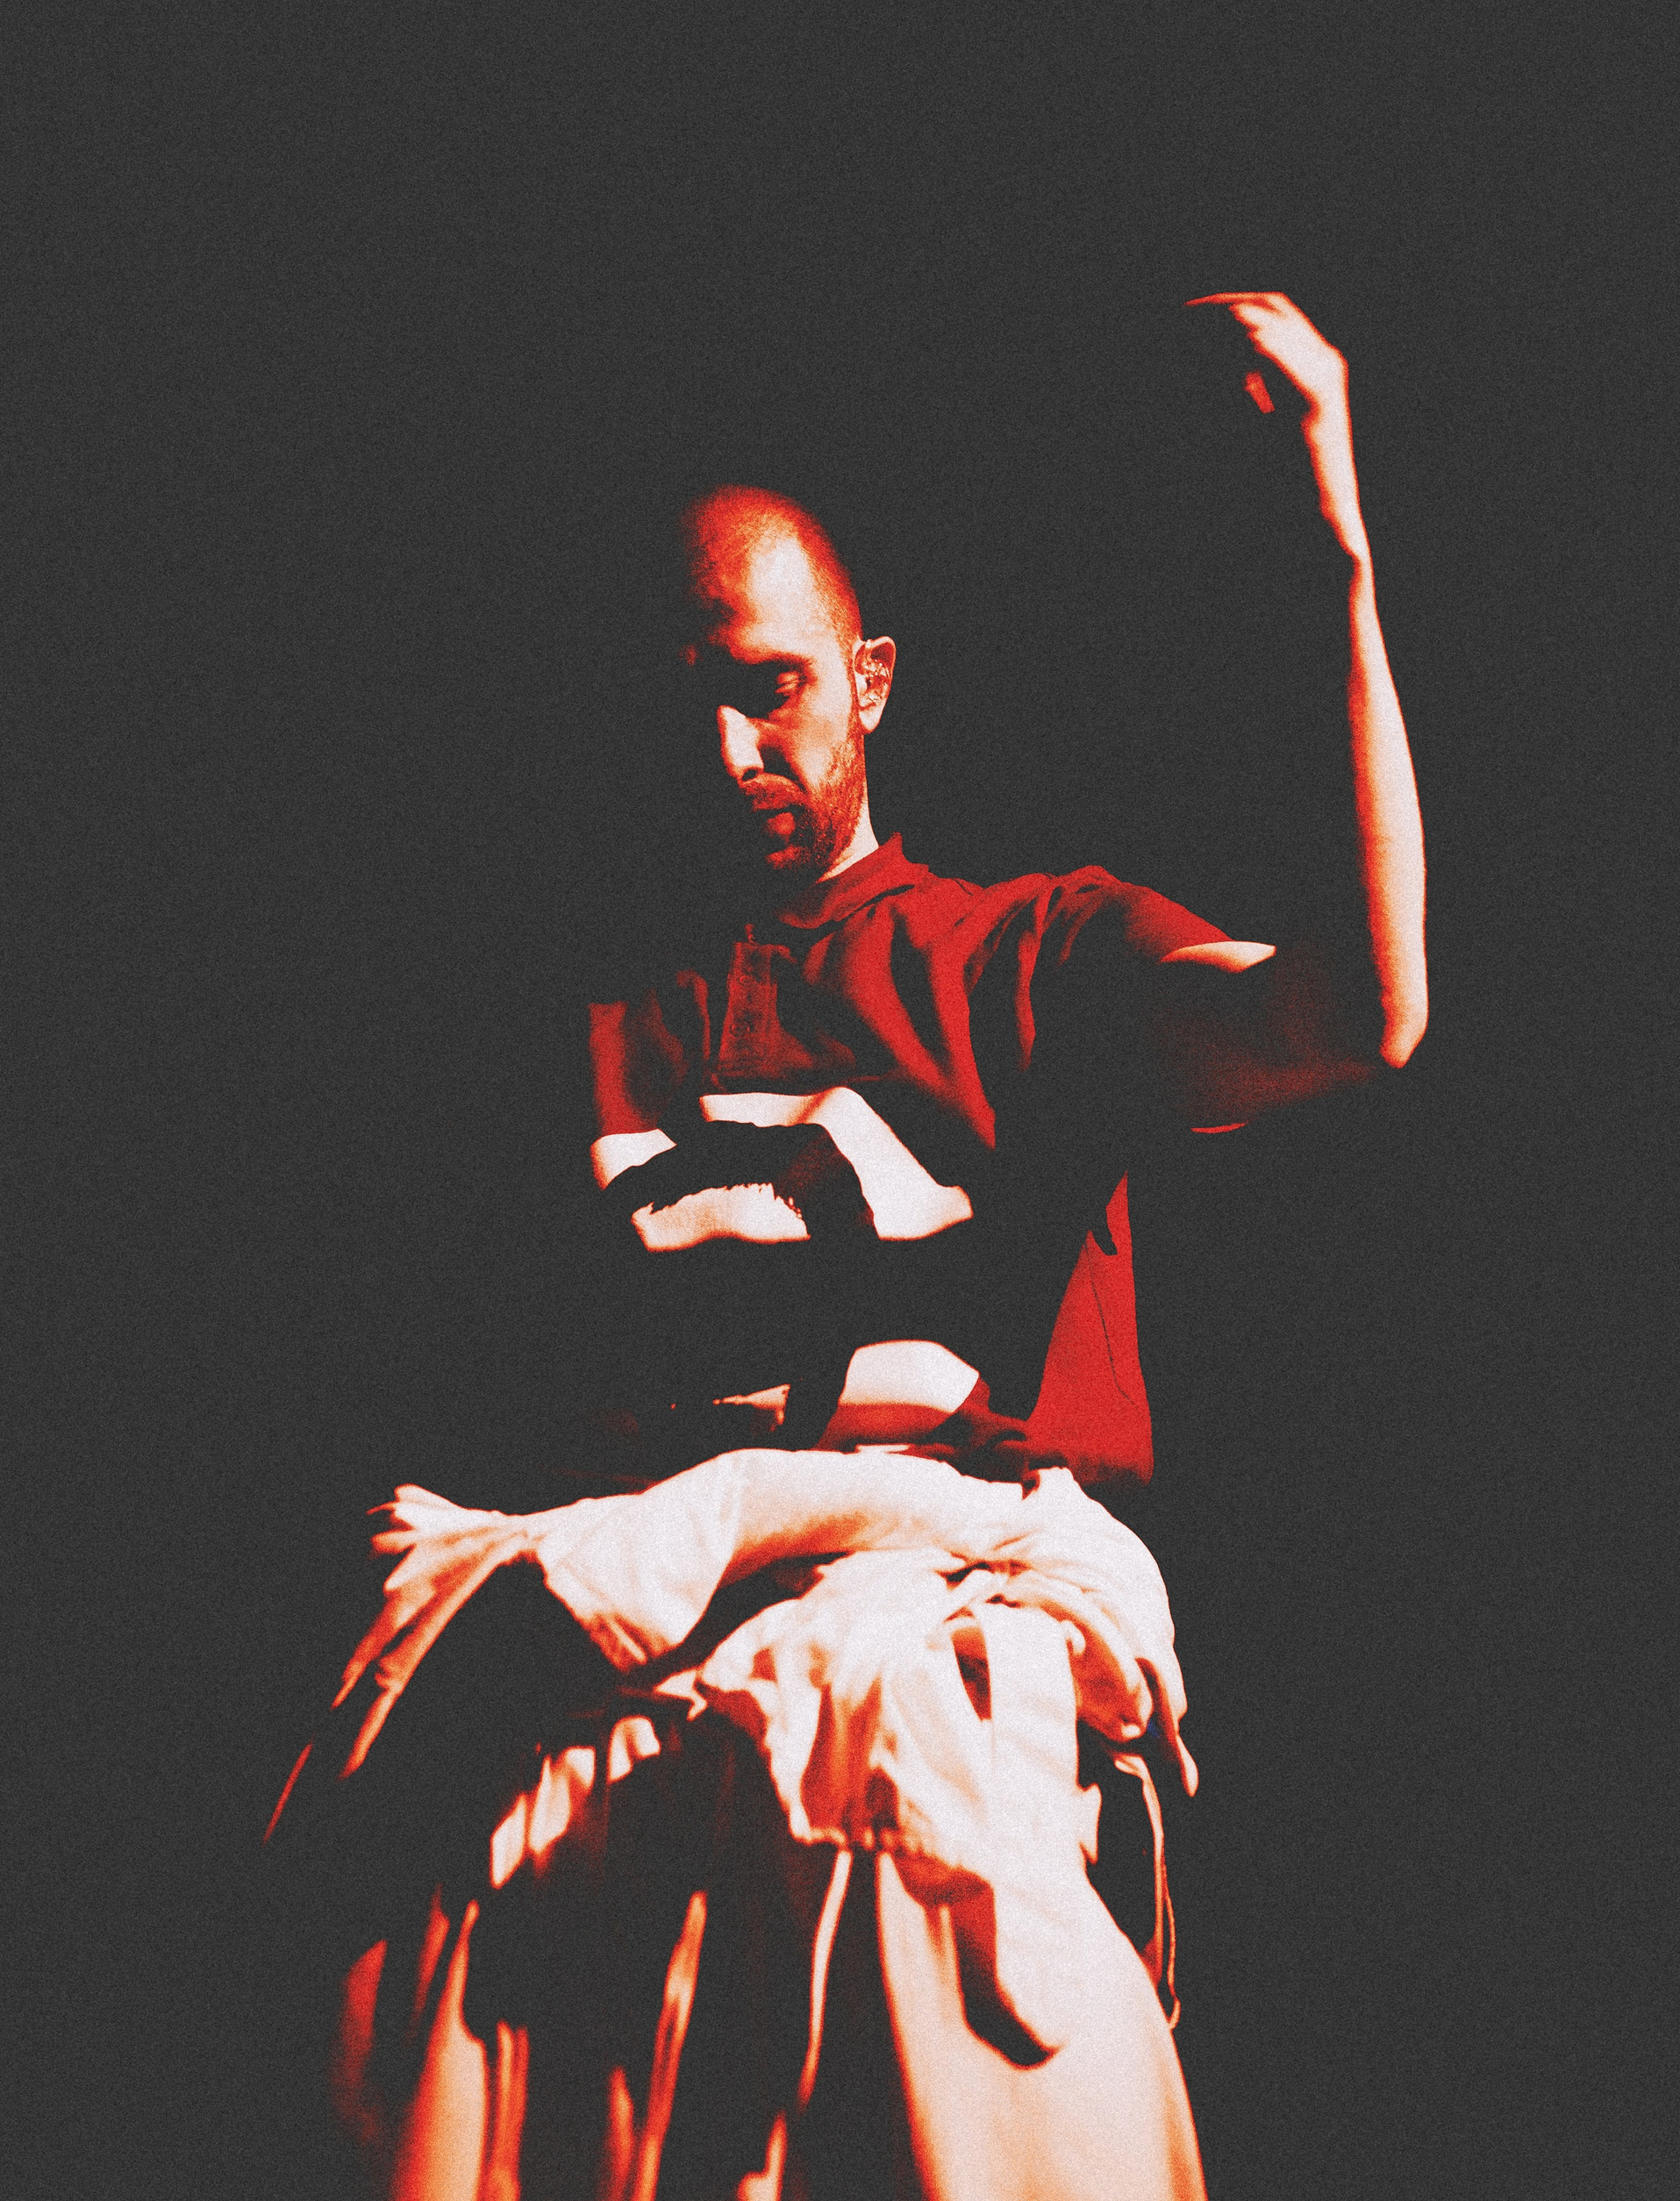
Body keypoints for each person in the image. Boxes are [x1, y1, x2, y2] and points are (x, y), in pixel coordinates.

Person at [265, 293, 1426, 2200]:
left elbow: (1360, 1019)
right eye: (683, 706)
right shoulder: (571, 1020)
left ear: (871, 680)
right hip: (630, 1654)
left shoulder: (1028, 951)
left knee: (923, 1919)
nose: (727, 748)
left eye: (772, 689)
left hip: (924, 1652)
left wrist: (1336, 549)